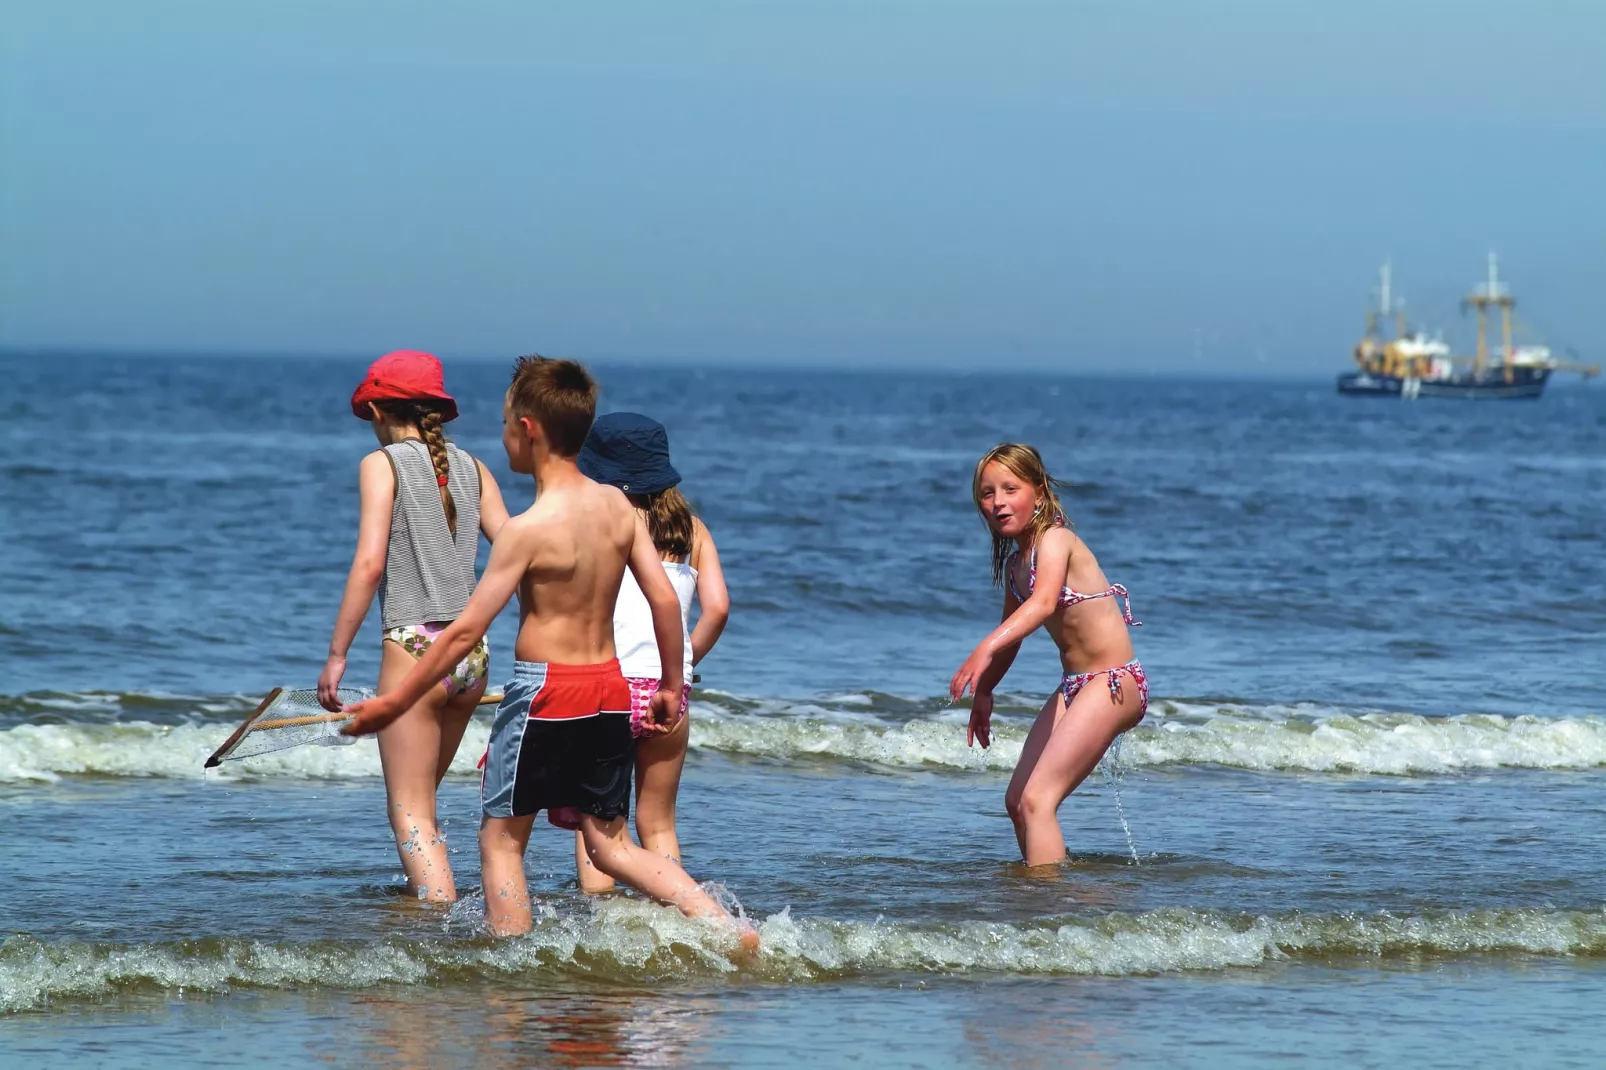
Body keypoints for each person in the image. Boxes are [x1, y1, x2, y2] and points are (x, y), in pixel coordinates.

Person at [342, 357, 754, 946]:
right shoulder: (616, 508)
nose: (503, 434)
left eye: (507, 423)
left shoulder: (527, 531)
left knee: (500, 840)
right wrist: (669, 684)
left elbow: (461, 633)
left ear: (528, 430)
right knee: (611, 846)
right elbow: (666, 601)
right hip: (612, 688)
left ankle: (510, 960)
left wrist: (396, 699)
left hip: (546, 693)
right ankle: (724, 926)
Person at [317, 349, 509, 902]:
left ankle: (436, 930)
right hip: (471, 658)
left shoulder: (381, 464)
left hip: (413, 647)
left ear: (377, 407)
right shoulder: (474, 467)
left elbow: (370, 563)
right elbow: (519, 549)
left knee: (410, 814)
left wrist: (337, 654)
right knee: (424, 801)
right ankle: (433, 911)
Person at [949, 443, 1147, 867]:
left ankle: (1050, 912)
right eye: (987, 494)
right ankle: (1055, 887)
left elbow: (1041, 606)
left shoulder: (1056, 540)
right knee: (1018, 801)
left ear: (1038, 493)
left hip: (1114, 681)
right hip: (1076, 686)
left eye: (1010, 489)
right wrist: (985, 692)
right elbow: (1014, 637)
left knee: (1039, 800)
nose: (998, 502)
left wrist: (983, 647)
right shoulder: (1017, 565)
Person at [570, 413, 730, 893]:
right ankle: (677, 914)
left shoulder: (600, 522)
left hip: (606, 688)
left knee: (599, 825)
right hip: (667, 692)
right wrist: (678, 668)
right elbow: (718, 609)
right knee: (658, 823)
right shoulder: (693, 529)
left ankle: (601, 925)